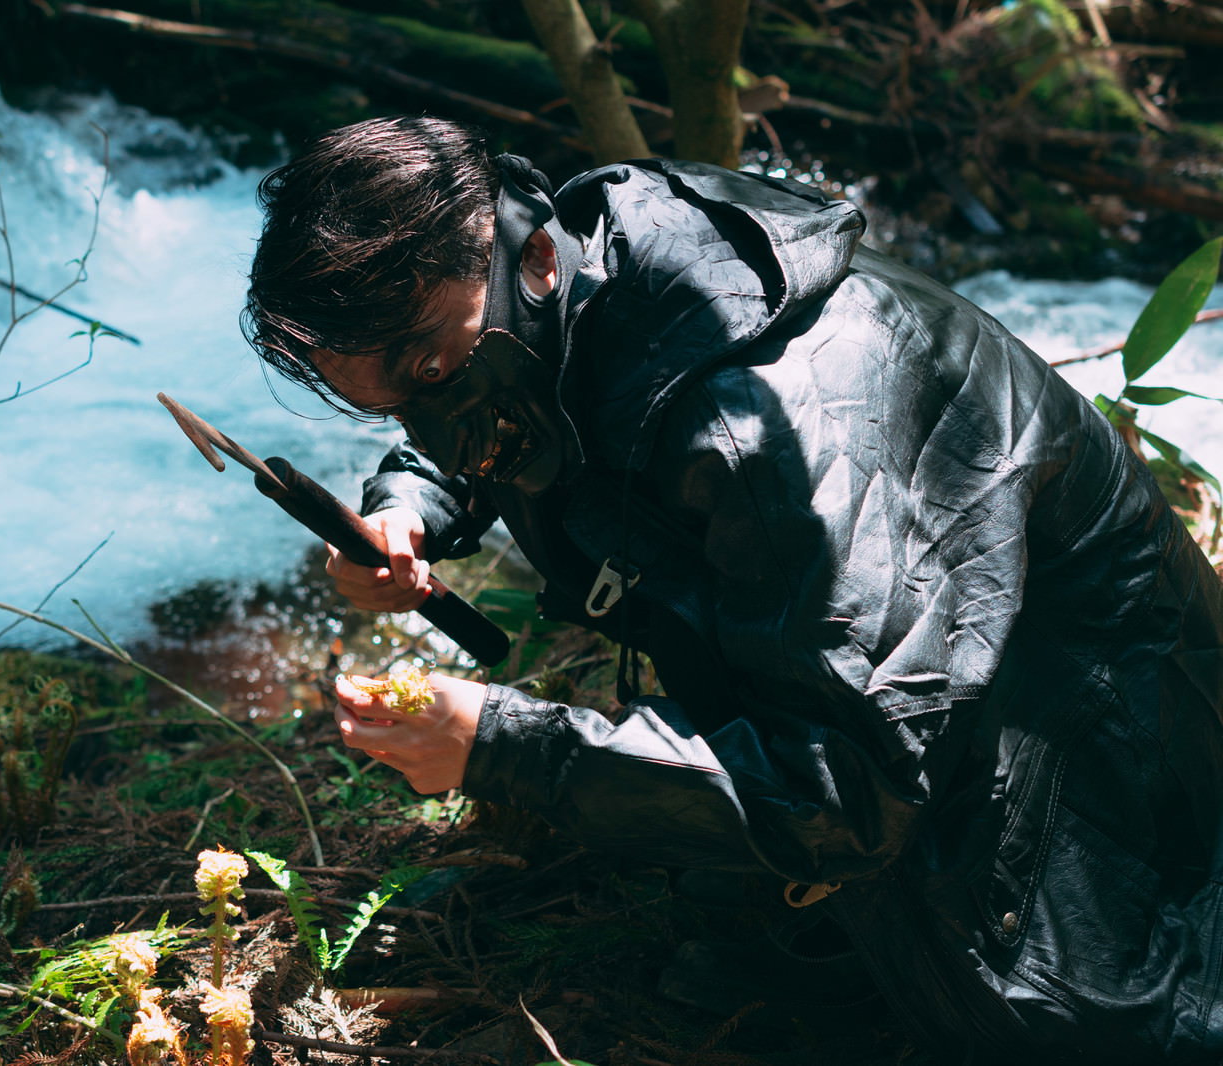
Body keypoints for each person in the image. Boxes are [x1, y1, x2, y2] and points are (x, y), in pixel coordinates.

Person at [242, 115, 1223, 1063]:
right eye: (391, 402)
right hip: (935, 750)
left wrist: (505, 748)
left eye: (431, 371)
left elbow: (844, 784)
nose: (437, 423)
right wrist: (406, 510)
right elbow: (507, 415)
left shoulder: (793, 421)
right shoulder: (593, 281)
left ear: (527, 256)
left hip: (1119, 834)